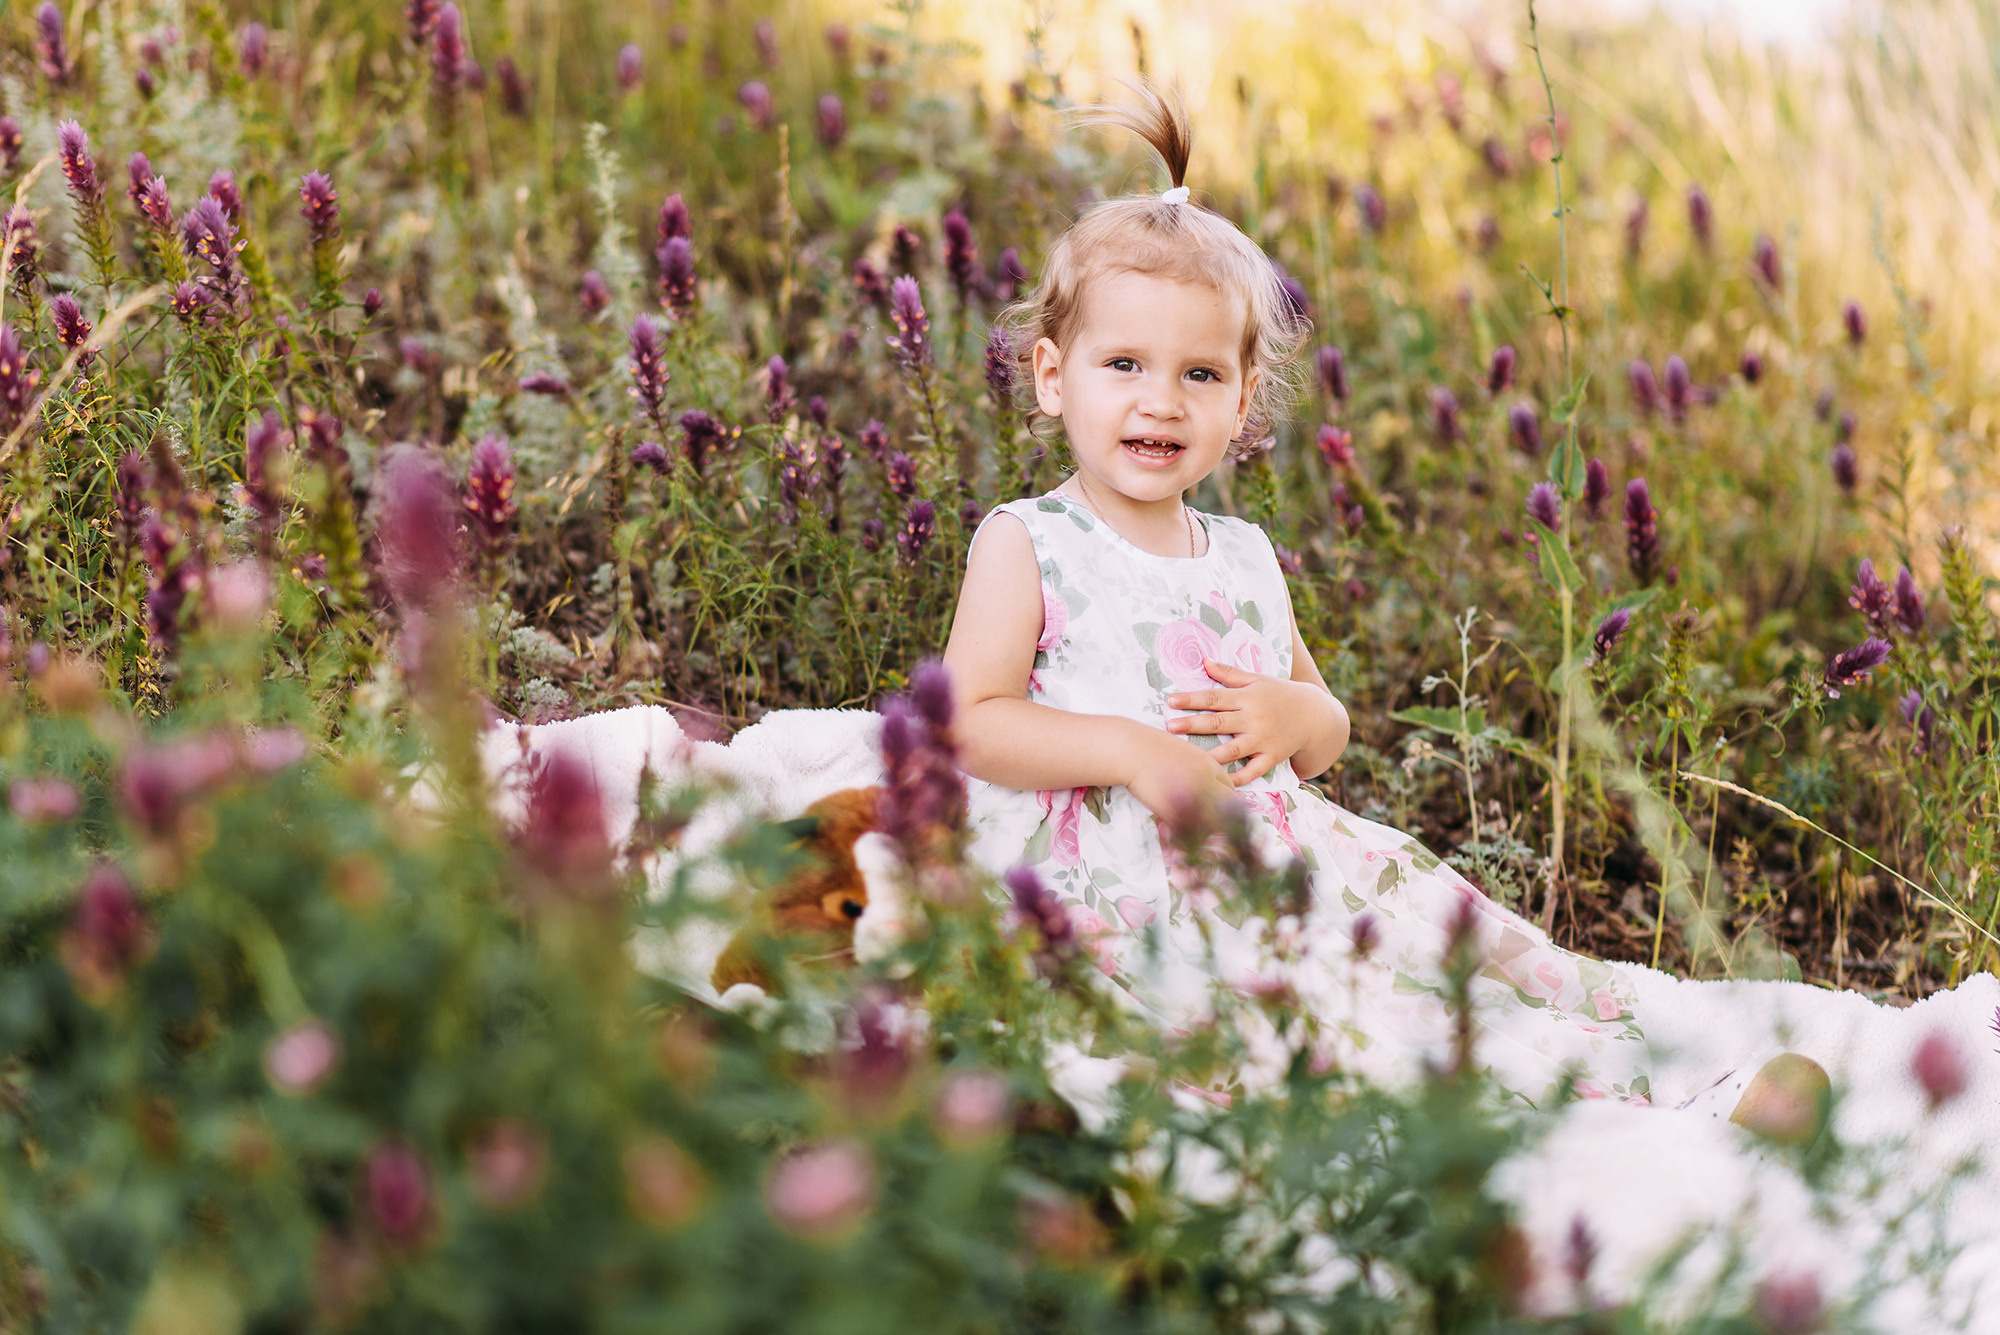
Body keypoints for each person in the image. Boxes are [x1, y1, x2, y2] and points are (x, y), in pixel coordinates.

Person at [942, 79, 1662, 1111]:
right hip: (1109, 877)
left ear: (1242, 403)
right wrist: (1134, 751)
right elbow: (968, 723)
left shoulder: (1241, 554)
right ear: (1055, 378)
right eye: (1123, 364)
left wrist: (1297, 712)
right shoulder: (1030, 542)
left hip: (1261, 860)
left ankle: (1629, 1081)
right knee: (1287, 1033)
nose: (1158, 399)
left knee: (1423, 984)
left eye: (1198, 375)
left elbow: (1321, 735)